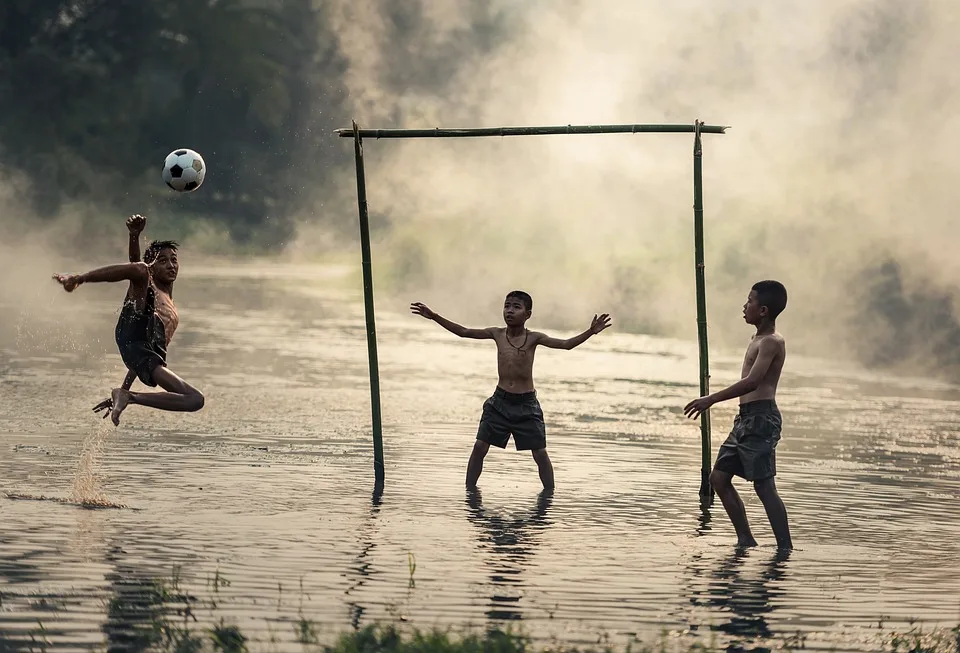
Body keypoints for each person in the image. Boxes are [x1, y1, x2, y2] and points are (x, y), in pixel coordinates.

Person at [411, 291, 611, 491]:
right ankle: (469, 493)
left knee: (540, 453)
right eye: (507, 306)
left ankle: (549, 496)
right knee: (480, 447)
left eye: (516, 307)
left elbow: (566, 345)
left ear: (528, 314)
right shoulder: (497, 334)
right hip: (500, 402)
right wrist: (434, 316)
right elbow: (464, 332)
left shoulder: (534, 338)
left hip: (527, 405)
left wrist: (590, 331)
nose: (510, 311)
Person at [52, 215, 204, 425]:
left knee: (194, 400)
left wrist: (124, 390)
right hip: (133, 328)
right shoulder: (149, 287)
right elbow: (136, 266)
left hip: (144, 350)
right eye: (163, 261)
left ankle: (127, 397)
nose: (171, 265)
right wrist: (134, 236)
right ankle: (77, 279)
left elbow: (140, 359)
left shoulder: (170, 305)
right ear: (153, 267)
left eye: (174, 260)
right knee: (139, 270)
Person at [684, 280, 792, 549]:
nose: (745, 306)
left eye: (749, 301)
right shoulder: (756, 338)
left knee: (764, 487)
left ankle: (785, 547)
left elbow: (753, 382)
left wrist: (711, 399)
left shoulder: (771, 342)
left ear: (764, 310)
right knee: (718, 478)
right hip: (745, 419)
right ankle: (746, 539)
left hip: (761, 419)